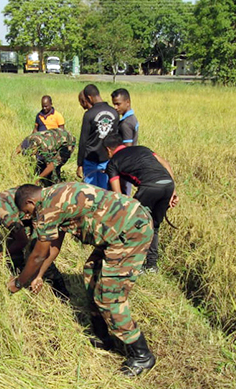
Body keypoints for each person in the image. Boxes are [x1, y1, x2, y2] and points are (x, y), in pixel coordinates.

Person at [7, 182, 156, 377]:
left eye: (28, 211)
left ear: (31, 201)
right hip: (121, 228)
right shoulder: (54, 194)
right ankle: (103, 336)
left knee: (109, 296)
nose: (30, 217)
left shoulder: (48, 208)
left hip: (130, 232)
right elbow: (53, 247)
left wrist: (18, 283)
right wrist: (40, 276)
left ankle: (142, 355)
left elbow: (37, 255)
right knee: (92, 273)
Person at [0, 189, 70, 299]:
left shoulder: (5, 215)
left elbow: (23, 240)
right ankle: (22, 275)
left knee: (38, 250)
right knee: (13, 247)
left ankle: (60, 290)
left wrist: (3, 254)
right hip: (25, 216)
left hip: (40, 212)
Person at [103, 133, 179, 273]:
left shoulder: (113, 163)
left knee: (134, 223)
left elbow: (118, 195)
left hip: (149, 187)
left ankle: (130, 263)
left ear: (108, 149)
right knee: (154, 226)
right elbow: (166, 164)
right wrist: (173, 190)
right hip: (168, 184)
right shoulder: (143, 149)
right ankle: (151, 265)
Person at [76, 84, 119, 189]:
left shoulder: (89, 115)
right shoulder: (114, 113)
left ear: (89, 98)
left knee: (91, 192)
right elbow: (116, 138)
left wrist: (80, 164)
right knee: (105, 192)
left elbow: (83, 141)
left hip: (91, 160)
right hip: (107, 159)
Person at [111, 88, 139, 195]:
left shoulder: (125, 123)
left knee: (123, 194)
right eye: (114, 104)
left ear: (128, 103)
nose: (115, 107)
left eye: (118, 104)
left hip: (125, 164)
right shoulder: (132, 118)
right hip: (130, 162)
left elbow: (127, 147)